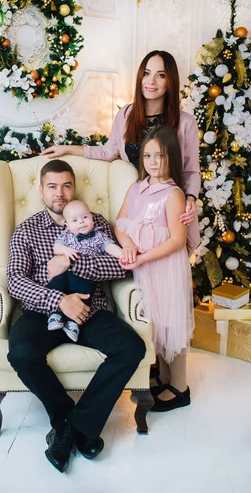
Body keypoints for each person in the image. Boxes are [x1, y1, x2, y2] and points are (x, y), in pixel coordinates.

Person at [7, 159, 145, 473]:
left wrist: (72, 264)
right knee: (21, 352)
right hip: (43, 313)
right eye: (53, 186)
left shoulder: (93, 222)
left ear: (74, 188)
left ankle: (76, 427)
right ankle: (66, 421)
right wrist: (59, 299)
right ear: (41, 190)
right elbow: (15, 279)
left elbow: (117, 266)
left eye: (67, 185)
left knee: (131, 348)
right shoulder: (27, 230)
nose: (61, 193)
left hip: (90, 310)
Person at [41, 50, 200, 253]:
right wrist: (67, 148)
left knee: (168, 265)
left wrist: (190, 199)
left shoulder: (185, 122)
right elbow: (109, 151)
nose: (151, 81)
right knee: (138, 265)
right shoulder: (126, 114)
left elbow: (191, 171)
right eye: (146, 73)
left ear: (171, 80)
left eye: (161, 75)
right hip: (138, 206)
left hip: (169, 207)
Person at [115, 126, 194, 412]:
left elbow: (177, 239)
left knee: (173, 321)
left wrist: (144, 256)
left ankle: (180, 387)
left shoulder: (172, 194)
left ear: (171, 157)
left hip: (165, 266)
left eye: (159, 155)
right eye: (148, 155)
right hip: (143, 264)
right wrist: (128, 247)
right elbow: (120, 222)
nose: (153, 161)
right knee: (156, 321)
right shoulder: (136, 188)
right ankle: (163, 376)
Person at [48, 199, 123, 342]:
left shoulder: (99, 236)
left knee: (86, 293)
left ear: (92, 218)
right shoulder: (66, 235)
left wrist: (123, 255)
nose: (81, 222)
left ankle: (74, 323)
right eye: (75, 220)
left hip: (85, 276)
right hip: (65, 274)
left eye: (85, 217)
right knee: (56, 282)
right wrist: (65, 250)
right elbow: (56, 247)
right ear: (67, 225)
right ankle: (55, 315)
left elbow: (110, 247)